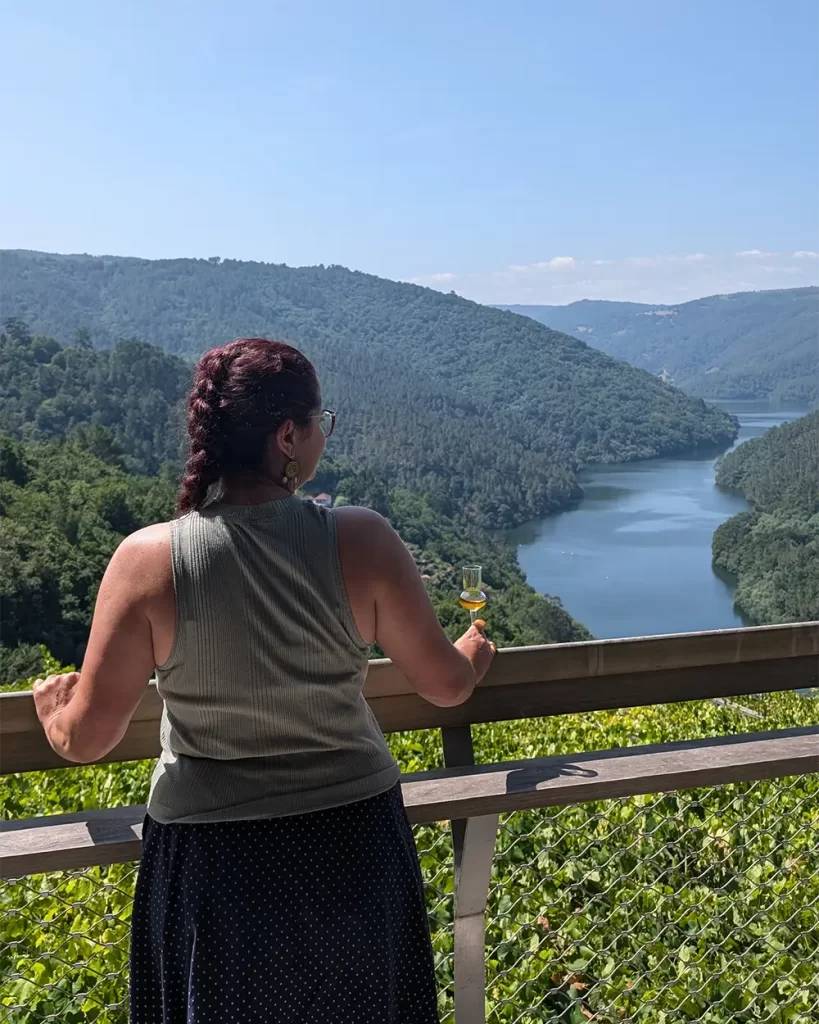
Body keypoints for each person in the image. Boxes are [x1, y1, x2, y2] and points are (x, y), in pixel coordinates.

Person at [32, 337, 496, 1024]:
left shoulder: (147, 560)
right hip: (353, 848)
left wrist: (50, 709)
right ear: (287, 434)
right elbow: (445, 686)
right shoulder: (361, 540)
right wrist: (474, 652)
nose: (320, 440)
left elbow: (87, 739)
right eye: (319, 425)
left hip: (217, 870)